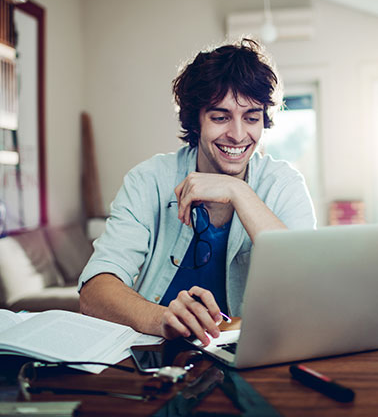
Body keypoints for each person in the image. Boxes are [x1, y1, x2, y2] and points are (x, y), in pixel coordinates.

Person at [78, 38, 316, 345]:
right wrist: (161, 318)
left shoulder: (284, 184)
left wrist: (238, 191)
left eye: (252, 118)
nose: (239, 135)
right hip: (161, 358)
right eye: (220, 117)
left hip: (252, 356)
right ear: (196, 120)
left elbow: (307, 283)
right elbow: (94, 292)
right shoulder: (148, 180)